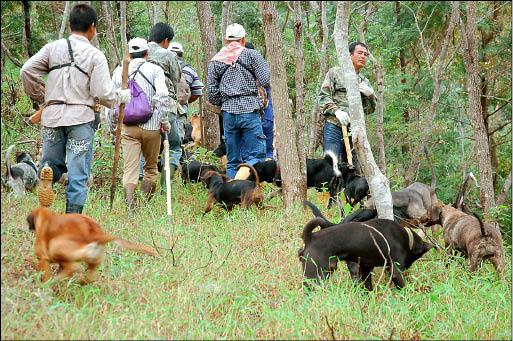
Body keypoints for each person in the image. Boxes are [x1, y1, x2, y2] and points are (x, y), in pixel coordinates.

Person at [20, 4, 131, 214]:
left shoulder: (52, 48)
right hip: (80, 119)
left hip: (52, 118)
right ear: (93, 27)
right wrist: (121, 96)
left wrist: (42, 98)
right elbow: (103, 94)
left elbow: (26, 70)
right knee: (78, 173)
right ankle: (72, 218)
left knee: (52, 163)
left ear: (70, 25)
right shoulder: (95, 55)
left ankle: (49, 174)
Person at [111, 37, 171, 209]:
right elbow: (162, 96)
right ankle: (144, 205)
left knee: (130, 170)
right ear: (147, 53)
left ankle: (132, 209)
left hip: (128, 127)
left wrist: (113, 127)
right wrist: (163, 121)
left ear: (129, 54)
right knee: (151, 169)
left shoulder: (119, 71)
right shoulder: (155, 69)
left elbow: (111, 101)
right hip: (152, 127)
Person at [207, 23, 270, 179]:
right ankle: (243, 185)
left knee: (232, 160)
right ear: (243, 39)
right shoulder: (252, 55)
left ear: (225, 40)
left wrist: (226, 101)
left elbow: (211, 94)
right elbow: (266, 79)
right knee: (256, 156)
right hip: (249, 110)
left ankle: (231, 193)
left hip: (228, 113)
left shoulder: (216, 60)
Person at [318, 41, 376, 168]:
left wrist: (370, 95)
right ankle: (329, 188)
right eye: (359, 53)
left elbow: (370, 110)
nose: (363, 56)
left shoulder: (364, 81)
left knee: (352, 168)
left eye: (365, 54)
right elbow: (323, 97)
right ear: (350, 55)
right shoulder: (335, 72)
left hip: (355, 129)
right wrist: (336, 111)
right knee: (330, 165)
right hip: (334, 125)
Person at [144, 22, 182, 191]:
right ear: (166, 41)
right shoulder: (168, 55)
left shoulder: (135, 53)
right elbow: (176, 79)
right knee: (173, 146)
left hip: (139, 110)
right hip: (166, 107)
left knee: (141, 147)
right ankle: (166, 186)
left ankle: (141, 183)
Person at [242, 41, 274, 160]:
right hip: (264, 114)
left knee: (252, 151)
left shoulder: (245, 69)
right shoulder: (260, 66)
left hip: (258, 115)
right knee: (265, 150)